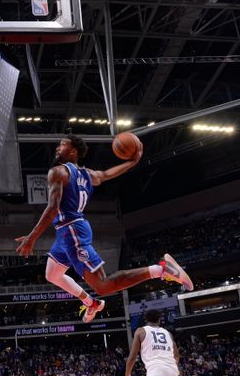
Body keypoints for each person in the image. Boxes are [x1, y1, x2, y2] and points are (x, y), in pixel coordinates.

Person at [14, 135, 193, 322]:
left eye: (62, 145)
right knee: (52, 274)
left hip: (72, 232)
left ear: (73, 151)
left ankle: (161, 269)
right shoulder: (87, 175)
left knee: (103, 285)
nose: (58, 148)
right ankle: (91, 303)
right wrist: (133, 161)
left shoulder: (58, 172)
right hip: (67, 231)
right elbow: (108, 174)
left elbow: (52, 209)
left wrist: (32, 237)